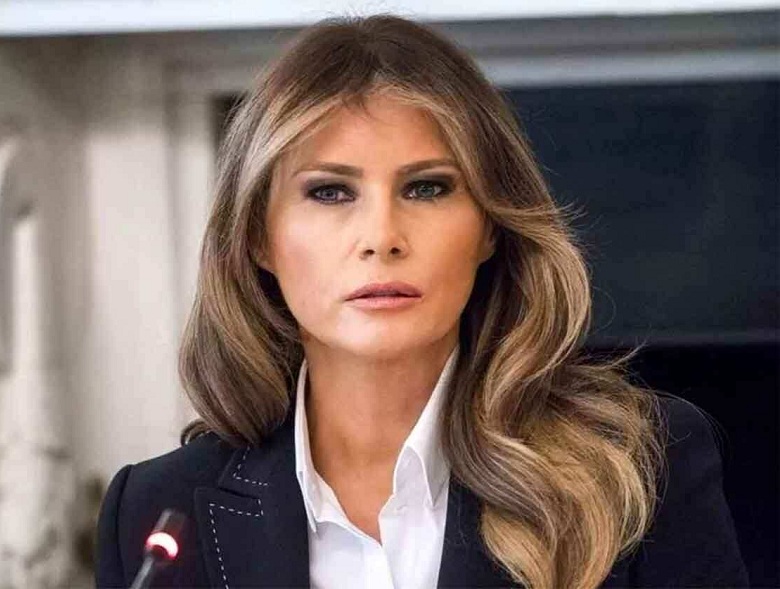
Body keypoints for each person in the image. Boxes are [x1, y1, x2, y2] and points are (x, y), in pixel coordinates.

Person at [95, 13, 749, 589]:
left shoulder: (639, 467)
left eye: (427, 188)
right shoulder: (153, 510)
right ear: (259, 239)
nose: (381, 237)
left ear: (489, 226)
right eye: (329, 192)